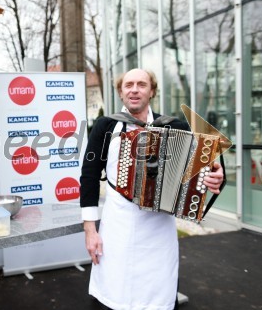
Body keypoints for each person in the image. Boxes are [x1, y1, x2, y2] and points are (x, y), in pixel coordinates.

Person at [80, 68, 224, 310]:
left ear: (152, 91)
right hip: (118, 226)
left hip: (159, 229)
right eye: (128, 85)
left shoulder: (174, 125)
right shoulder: (106, 126)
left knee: (158, 297)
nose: (134, 89)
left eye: (141, 84)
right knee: (115, 294)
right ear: (121, 91)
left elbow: (207, 163)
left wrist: (217, 174)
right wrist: (89, 230)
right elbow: (89, 176)